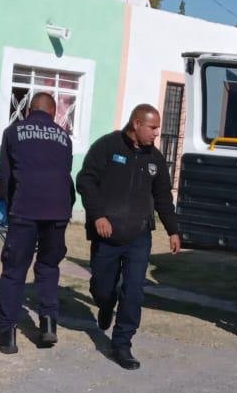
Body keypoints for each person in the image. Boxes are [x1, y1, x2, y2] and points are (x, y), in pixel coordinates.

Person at [76, 104, 181, 370]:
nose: (157, 133)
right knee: (103, 288)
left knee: (133, 291)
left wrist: (173, 230)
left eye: (158, 128)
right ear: (136, 123)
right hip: (107, 233)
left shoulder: (155, 159)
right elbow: (85, 181)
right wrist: (98, 215)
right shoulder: (107, 147)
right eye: (153, 127)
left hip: (138, 235)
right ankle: (104, 303)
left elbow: (163, 198)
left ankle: (122, 344)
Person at [0, 94, 75, 354]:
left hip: (25, 208)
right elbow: (65, 173)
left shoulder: (13, 131)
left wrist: (6, 203)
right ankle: (48, 324)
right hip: (59, 210)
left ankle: (7, 334)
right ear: (53, 113)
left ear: (28, 109)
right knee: (48, 267)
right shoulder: (64, 137)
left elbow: (6, 177)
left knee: (15, 270)